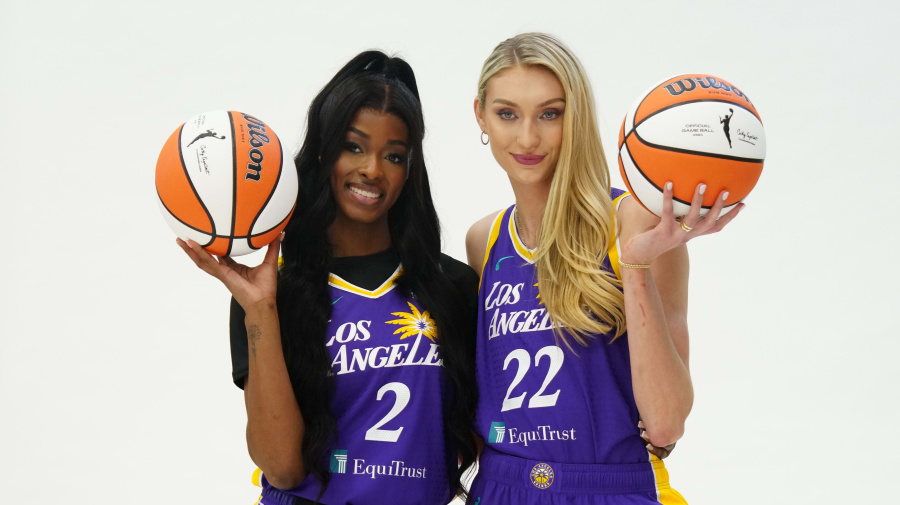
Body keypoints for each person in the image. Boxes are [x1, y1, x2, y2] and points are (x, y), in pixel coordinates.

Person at [177, 51, 478, 505]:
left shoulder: (451, 285)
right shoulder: (271, 288)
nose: (372, 169)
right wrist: (259, 309)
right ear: (323, 150)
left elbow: (477, 431)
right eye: (353, 147)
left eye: (394, 155)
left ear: (410, 168)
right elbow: (280, 465)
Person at [464, 33, 743, 504]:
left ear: (576, 118)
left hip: (612, 487)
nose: (527, 137)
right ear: (481, 116)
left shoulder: (635, 220)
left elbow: (666, 422)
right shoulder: (484, 241)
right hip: (501, 487)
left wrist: (633, 265)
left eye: (550, 114)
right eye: (507, 113)